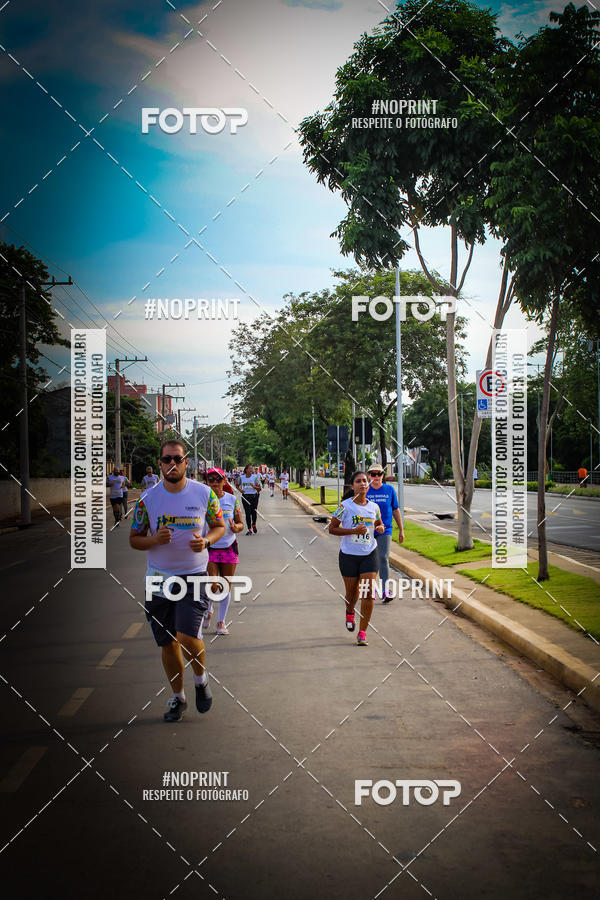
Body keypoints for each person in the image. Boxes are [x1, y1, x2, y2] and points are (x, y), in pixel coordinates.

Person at [129, 439, 225, 721]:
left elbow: (219, 525)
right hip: (158, 579)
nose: (172, 464)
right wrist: (153, 539)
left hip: (194, 575)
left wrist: (206, 541)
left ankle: (201, 680)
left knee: (186, 635)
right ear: (160, 464)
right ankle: (178, 698)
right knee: (167, 642)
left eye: (177, 459)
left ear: (186, 463)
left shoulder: (205, 494)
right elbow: (134, 539)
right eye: (166, 459)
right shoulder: (147, 500)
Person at [328, 471, 384, 646]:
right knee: (352, 593)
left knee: (368, 593)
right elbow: (332, 528)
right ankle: (350, 610)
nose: (363, 484)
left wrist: (380, 527)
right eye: (358, 481)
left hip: (369, 553)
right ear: (352, 486)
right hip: (349, 555)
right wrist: (352, 531)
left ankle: (362, 632)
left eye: (365, 481)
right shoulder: (344, 506)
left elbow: (378, 523)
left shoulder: (374, 507)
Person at [203, 468, 244, 635]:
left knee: (225, 586)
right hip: (210, 547)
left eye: (217, 479)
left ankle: (221, 622)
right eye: (210, 479)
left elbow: (240, 524)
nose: (214, 482)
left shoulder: (232, 499)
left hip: (228, 547)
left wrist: (236, 527)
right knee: (212, 585)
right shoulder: (202, 500)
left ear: (224, 481)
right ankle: (209, 608)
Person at [366, 465, 404, 603]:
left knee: (383, 558)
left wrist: (401, 529)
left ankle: (385, 589)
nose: (376, 477)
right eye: (373, 474)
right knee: (369, 560)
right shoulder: (365, 490)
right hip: (368, 530)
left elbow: (395, 510)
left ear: (383, 475)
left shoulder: (389, 490)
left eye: (379, 474)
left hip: (385, 529)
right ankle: (371, 588)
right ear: (369, 475)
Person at [240, 464, 261, 534]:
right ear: (246, 470)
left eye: (252, 469)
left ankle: (254, 524)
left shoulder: (255, 477)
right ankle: (249, 529)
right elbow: (236, 484)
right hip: (245, 497)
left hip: (254, 497)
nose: (251, 470)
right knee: (247, 513)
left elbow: (259, 488)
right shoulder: (242, 477)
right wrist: (240, 490)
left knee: (253, 512)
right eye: (250, 469)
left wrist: (254, 486)